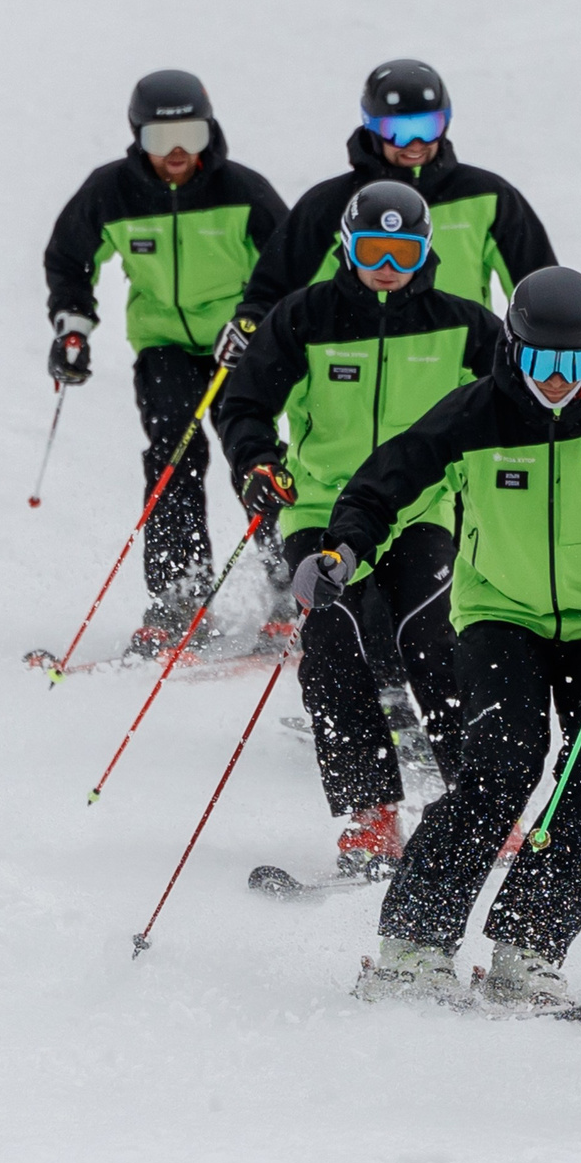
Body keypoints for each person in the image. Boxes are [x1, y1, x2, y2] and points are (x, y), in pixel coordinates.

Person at [309, 268, 581, 1006]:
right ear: (512, 350)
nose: (555, 380)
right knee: (503, 764)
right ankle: (413, 944)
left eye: (573, 363)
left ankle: (529, 946)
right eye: (540, 361)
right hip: (499, 617)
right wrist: (346, 546)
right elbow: (386, 481)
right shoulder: (473, 416)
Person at [214, 182, 504, 876]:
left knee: (433, 635)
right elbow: (244, 402)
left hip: (422, 508)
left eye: (403, 250)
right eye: (372, 248)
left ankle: (483, 802)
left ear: (426, 249)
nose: (386, 263)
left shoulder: (464, 325)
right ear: (346, 245)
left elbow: (520, 405)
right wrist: (256, 462)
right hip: (319, 507)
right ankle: (372, 817)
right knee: (333, 641)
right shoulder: (303, 318)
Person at [43, 69, 289, 651]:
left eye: (192, 137)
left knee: (253, 457)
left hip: (240, 346)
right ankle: (180, 598)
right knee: (173, 455)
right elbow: (70, 257)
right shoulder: (111, 192)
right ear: (137, 137)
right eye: (159, 140)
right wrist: (73, 325)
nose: (177, 153)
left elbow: (290, 264)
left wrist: (257, 322)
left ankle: (289, 587)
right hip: (165, 345)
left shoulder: (243, 191)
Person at [221, 60, 555, 365]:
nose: (415, 143)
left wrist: (553, 347)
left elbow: (539, 289)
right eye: (398, 130)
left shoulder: (488, 196)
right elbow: (275, 285)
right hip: (347, 374)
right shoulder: (329, 205)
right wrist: (250, 323)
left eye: (428, 126)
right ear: (372, 127)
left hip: (455, 368)